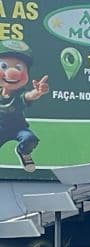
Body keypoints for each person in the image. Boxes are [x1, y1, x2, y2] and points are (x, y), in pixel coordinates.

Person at [0, 40, 49, 173]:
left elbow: (29, 96)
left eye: (19, 67)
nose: (11, 72)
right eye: (3, 66)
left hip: (18, 128)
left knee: (30, 139)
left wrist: (38, 92)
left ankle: (24, 153)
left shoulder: (19, 95)